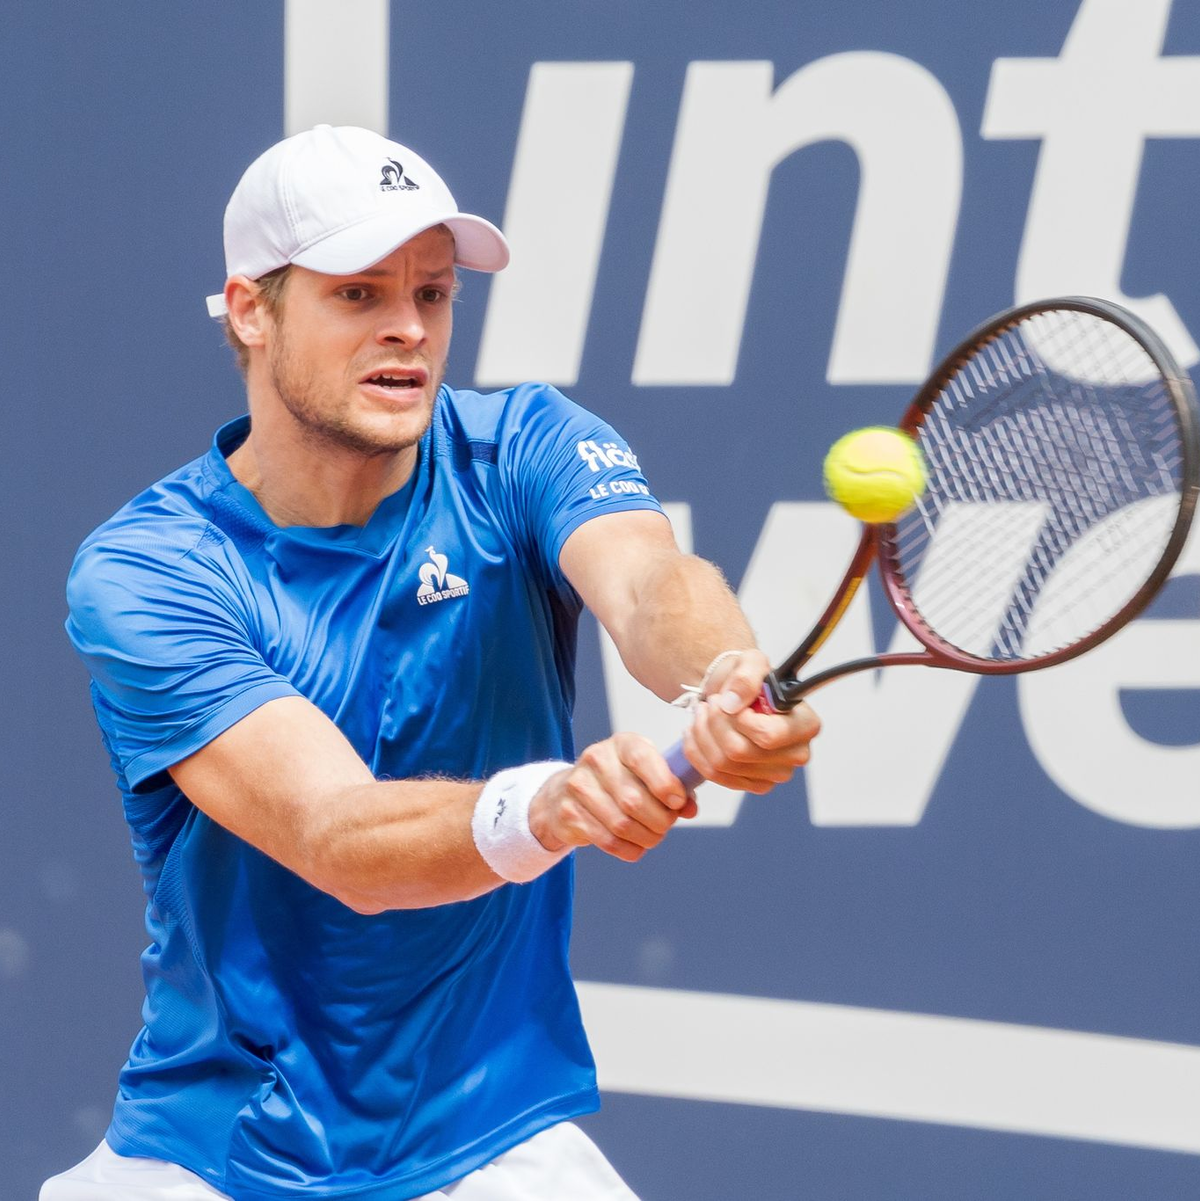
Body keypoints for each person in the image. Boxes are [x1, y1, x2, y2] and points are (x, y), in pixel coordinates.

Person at [44, 125, 819, 1200]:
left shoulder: (526, 447)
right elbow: (339, 838)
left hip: (495, 1139)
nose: (409, 328)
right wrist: (547, 806)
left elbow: (649, 585)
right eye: (359, 295)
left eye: (435, 294)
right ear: (251, 310)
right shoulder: (151, 571)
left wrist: (723, 673)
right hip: (221, 1155)